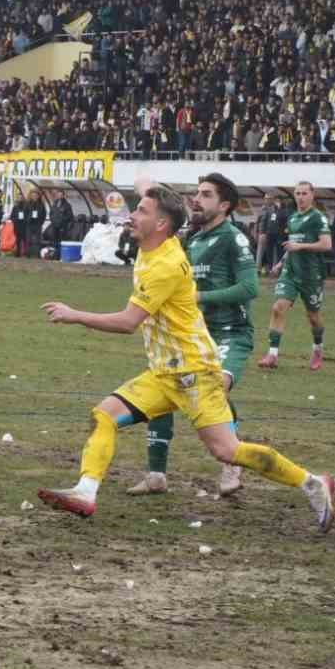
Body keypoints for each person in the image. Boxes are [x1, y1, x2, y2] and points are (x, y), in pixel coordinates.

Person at [35, 184, 334, 533]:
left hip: (194, 373)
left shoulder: (165, 263)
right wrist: (150, 192)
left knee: (227, 450)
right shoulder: (157, 244)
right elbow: (165, 209)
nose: (132, 215)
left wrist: (74, 314)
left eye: (142, 211)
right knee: (104, 414)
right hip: (164, 373)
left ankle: (313, 482)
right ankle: (86, 491)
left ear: (161, 224)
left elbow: (129, 322)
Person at [128, 173, 257, 497]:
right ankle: (156, 474)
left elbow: (249, 288)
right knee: (166, 384)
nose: (197, 199)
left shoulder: (233, 238)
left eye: (206, 195)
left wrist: (201, 298)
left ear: (225, 206)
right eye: (197, 193)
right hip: (193, 335)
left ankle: (232, 463)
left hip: (229, 333)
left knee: (215, 387)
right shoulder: (194, 240)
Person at [259, 181, 330, 371]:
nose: (300, 197)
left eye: (304, 193)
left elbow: (326, 244)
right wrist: (282, 261)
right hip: (290, 271)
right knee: (277, 308)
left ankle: (317, 348)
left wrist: (300, 247)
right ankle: (272, 354)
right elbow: (292, 244)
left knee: (313, 317)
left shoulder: (318, 218)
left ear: (312, 195)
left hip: (311, 275)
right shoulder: (292, 218)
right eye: (297, 193)